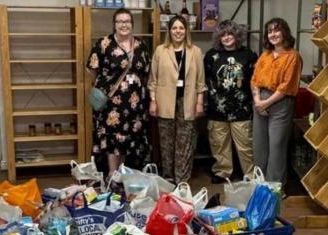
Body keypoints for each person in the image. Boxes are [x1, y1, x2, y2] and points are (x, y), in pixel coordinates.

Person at [86, 8, 151, 176]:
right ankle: (112, 175)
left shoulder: (141, 45)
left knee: (129, 138)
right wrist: (105, 86)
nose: (124, 25)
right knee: (112, 139)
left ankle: (124, 176)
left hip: (135, 104)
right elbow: (92, 70)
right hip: (111, 104)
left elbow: (146, 72)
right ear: (114, 24)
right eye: (120, 21)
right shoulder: (103, 44)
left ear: (132, 24)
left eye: (127, 21)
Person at [148, 15, 206, 183]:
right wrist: (153, 100)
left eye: (181, 28)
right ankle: (168, 178)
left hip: (187, 102)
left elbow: (201, 81)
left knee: (185, 142)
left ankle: (182, 180)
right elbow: (153, 79)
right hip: (165, 102)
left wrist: (200, 102)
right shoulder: (160, 50)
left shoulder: (195, 51)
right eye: (174, 28)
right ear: (169, 31)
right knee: (166, 144)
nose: (178, 31)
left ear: (186, 30)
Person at [203, 20, 258, 183]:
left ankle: (249, 174)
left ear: (237, 35)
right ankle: (222, 172)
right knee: (219, 145)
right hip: (217, 109)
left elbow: (255, 80)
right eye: (222, 35)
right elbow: (205, 79)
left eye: (229, 34)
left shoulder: (249, 55)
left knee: (245, 146)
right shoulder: (211, 55)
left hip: (242, 109)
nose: (226, 37)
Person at [251, 17, 302, 183]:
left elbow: (286, 86)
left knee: (277, 147)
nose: (273, 34)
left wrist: (266, 103)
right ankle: (259, 184)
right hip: (260, 102)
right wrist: (258, 100)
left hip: (280, 103)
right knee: (259, 146)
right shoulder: (265, 55)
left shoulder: (292, 56)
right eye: (270, 31)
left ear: (284, 32)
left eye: (276, 30)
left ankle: (274, 188)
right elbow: (254, 79)